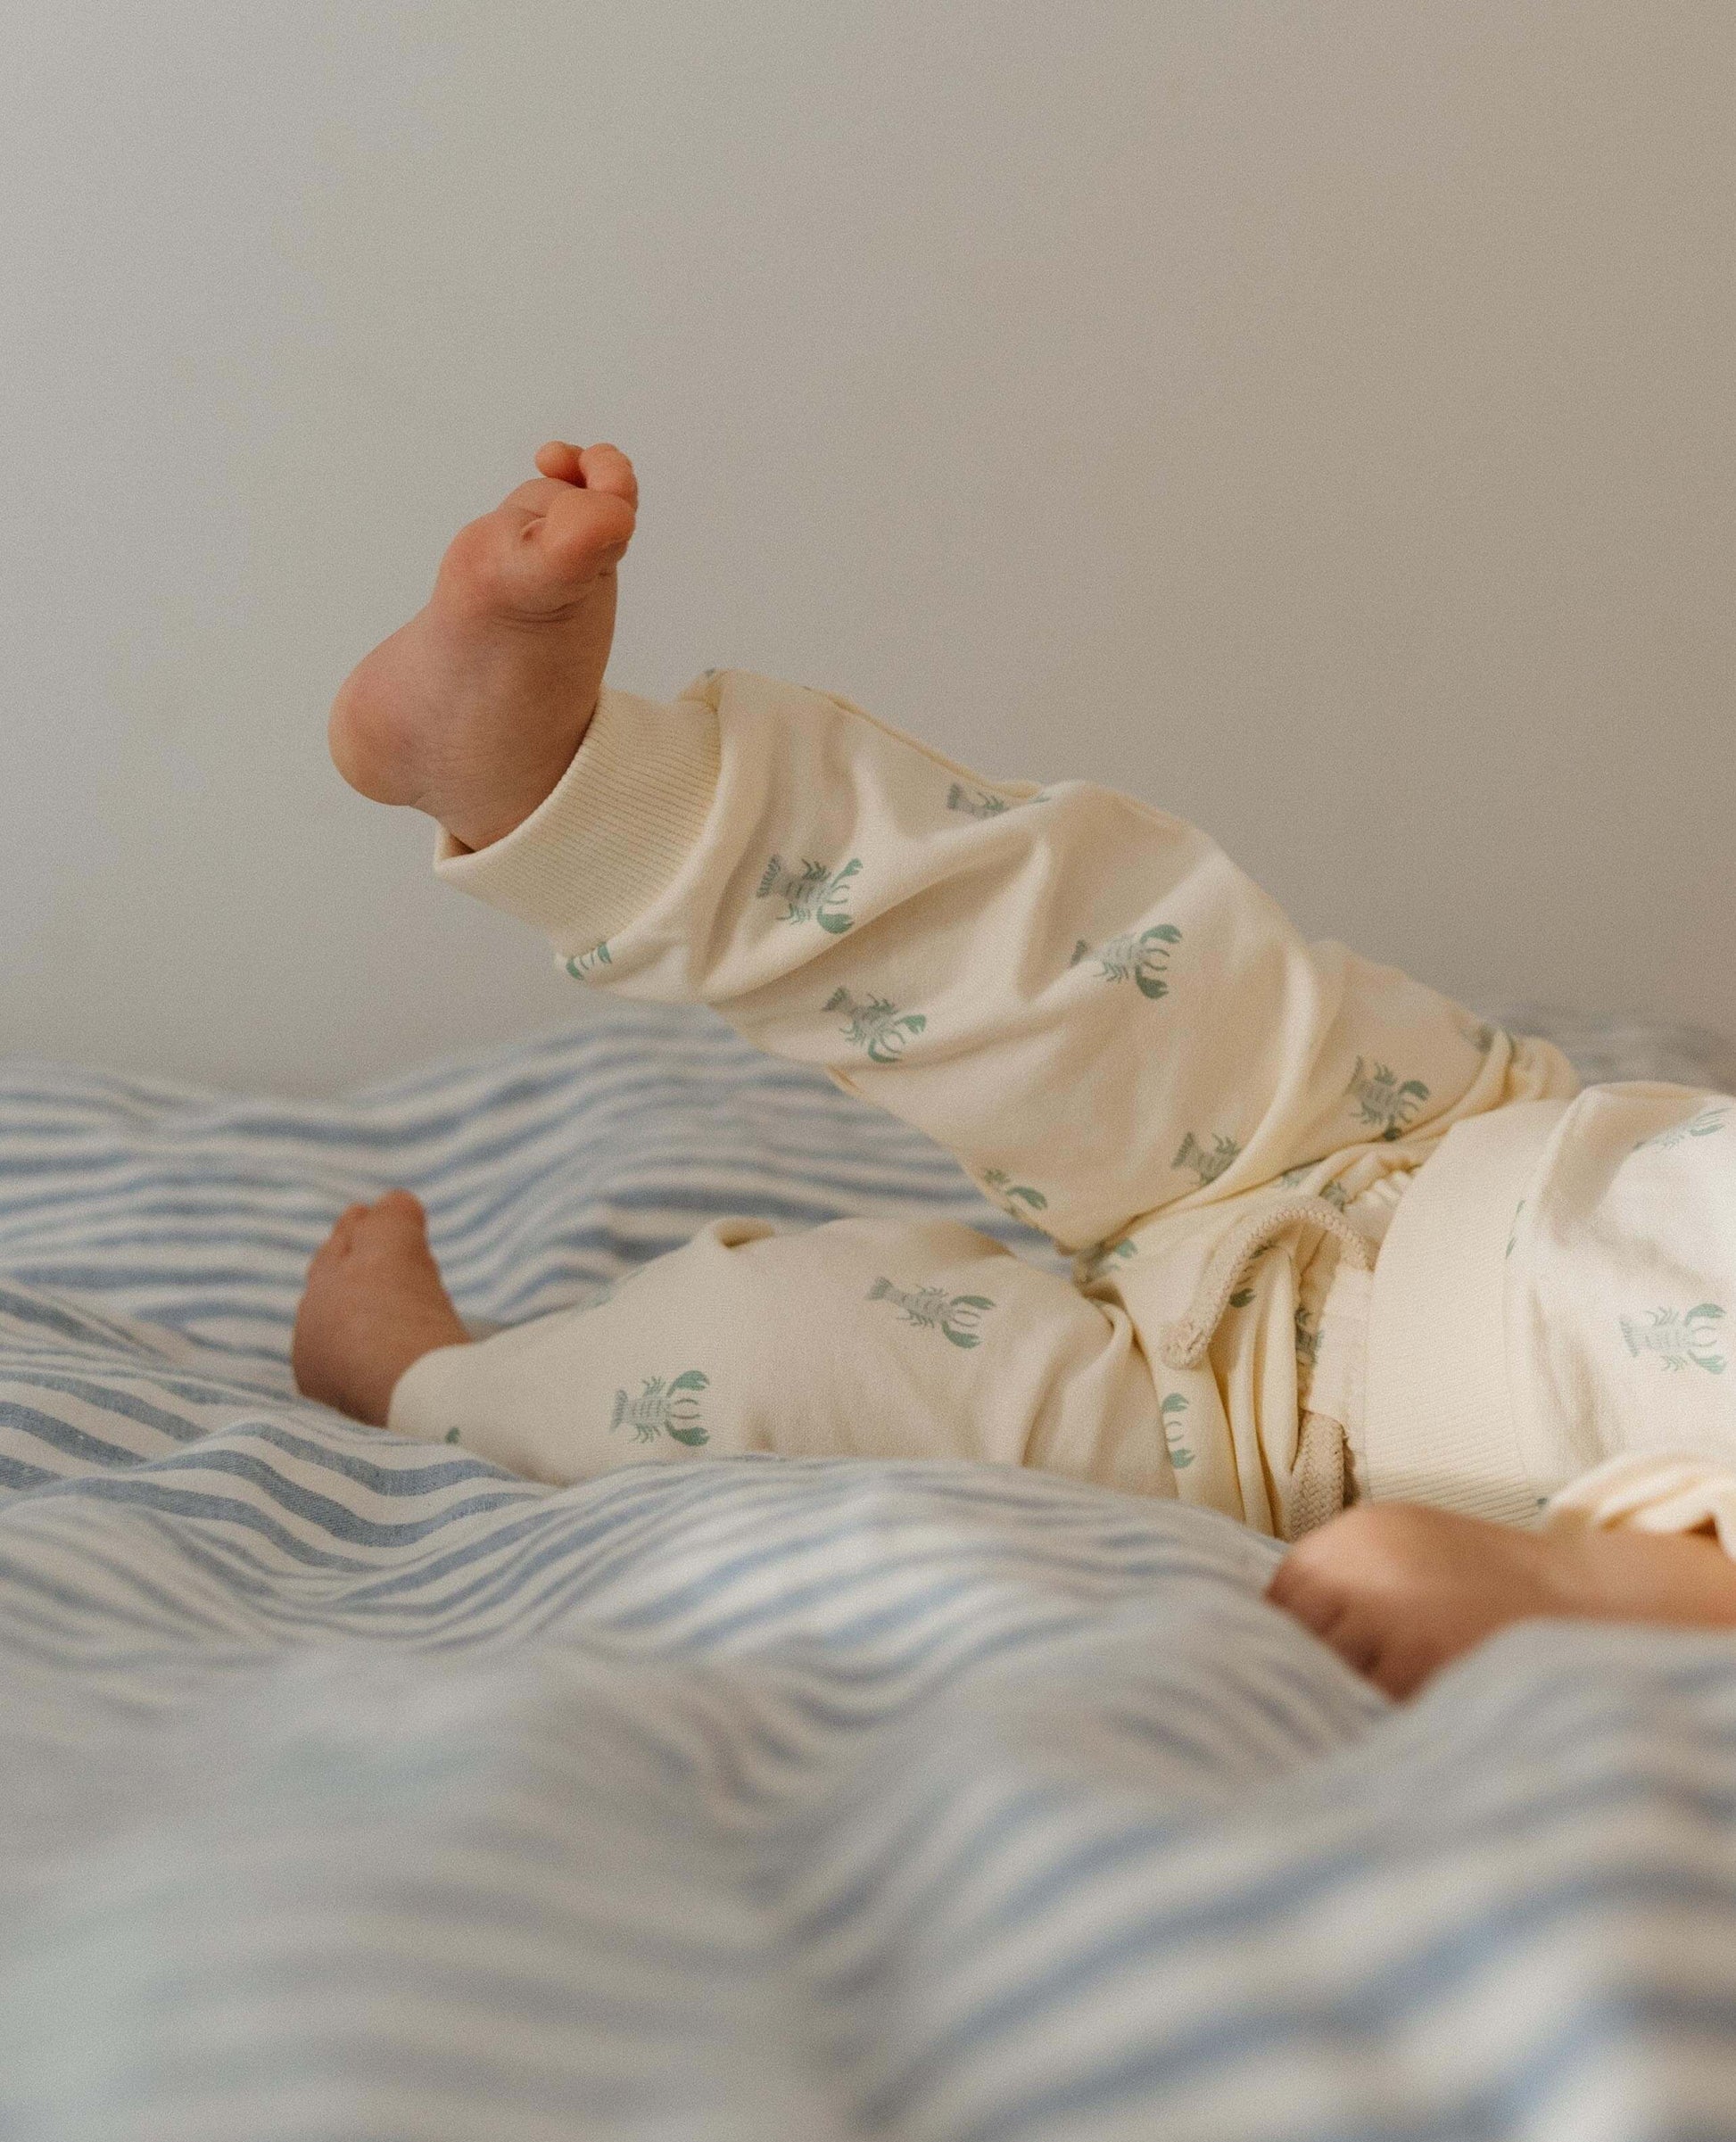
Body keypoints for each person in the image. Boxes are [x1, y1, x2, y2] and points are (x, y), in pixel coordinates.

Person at [292, 440, 1736, 1700]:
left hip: (1288, 1448)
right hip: (1466, 1134)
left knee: (803, 1366)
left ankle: (434, 1385)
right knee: (1049, 937)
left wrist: (1582, 1595)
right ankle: (559, 778)